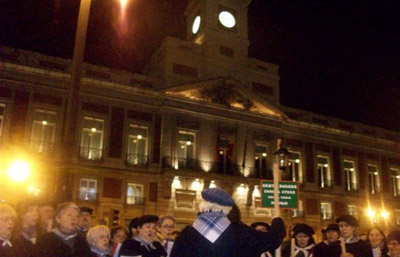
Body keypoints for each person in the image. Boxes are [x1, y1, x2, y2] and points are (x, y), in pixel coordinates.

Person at [170, 187, 285, 257]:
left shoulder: (187, 234)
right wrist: (277, 221)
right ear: (227, 209)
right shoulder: (240, 232)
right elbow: (272, 239)